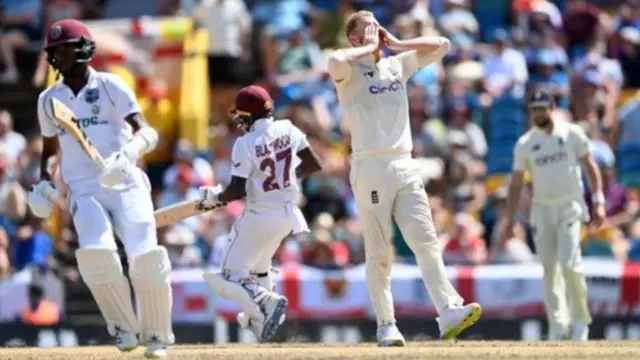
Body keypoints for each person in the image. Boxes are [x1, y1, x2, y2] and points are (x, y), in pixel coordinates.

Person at [326, 10, 481, 346]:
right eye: (366, 28)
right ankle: (386, 325)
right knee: (380, 252)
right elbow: (335, 59)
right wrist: (364, 49)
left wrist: (396, 42)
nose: (374, 31)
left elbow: (442, 45)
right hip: (370, 166)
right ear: (353, 37)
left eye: (375, 25)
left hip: (405, 163)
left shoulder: (397, 64)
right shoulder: (349, 69)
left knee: (425, 241)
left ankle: (448, 309)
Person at [27, 19, 173, 358]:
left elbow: (147, 132)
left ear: (83, 49)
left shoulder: (111, 84)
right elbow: (51, 153)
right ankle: (123, 327)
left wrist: (128, 155)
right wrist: (45, 182)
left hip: (124, 181)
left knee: (145, 257)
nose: (58, 56)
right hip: (83, 190)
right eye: (54, 51)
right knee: (97, 256)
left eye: (65, 48)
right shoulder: (49, 100)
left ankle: (156, 337)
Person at [197, 85, 322, 341]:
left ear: (249, 115)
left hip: (258, 217)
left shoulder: (245, 143)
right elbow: (314, 164)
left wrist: (214, 198)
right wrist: (286, 178)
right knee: (260, 269)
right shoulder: (289, 128)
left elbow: (236, 191)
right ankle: (262, 320)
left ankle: (267, 300)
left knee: (228, 277)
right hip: (287, 215)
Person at [501, 89, 603, 341]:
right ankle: (558, 326)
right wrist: (509, 219)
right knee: (549, 269)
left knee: (570, 264)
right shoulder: (526, 143)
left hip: (570, 206)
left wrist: (598, 201)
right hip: (542, 210)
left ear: (552, 107)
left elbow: (591, 167)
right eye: (534, 109)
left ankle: (580, 321)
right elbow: (515, 184)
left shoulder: (571, 133)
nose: (537, 113)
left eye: (542, 108)